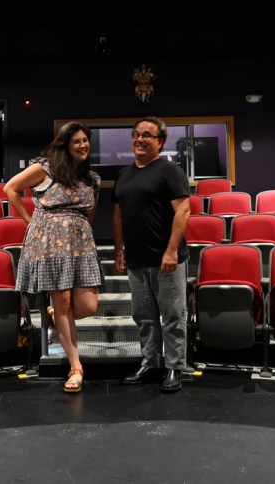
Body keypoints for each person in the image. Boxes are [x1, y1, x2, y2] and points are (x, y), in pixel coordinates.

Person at [4, 122, 104, 393]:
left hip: (80, 245)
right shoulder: (46, 168)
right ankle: (76, 367)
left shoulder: (92, 179)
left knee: (87, 307)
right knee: (64, 302)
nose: (83, 145)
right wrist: (30, 221)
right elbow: (11, 189)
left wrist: (76, 230)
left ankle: (56, 315)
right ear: (65, 145)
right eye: (77, 142)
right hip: (49, 245)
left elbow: (88, 216)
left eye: (86, 141)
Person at [112, 116, 191, 393]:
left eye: (147, 135)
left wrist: (171, 251)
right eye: (136, 134)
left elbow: (183, 211)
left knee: (172, 316)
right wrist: (119, 249)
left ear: (160, 142)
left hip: (166, 260)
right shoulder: (124, 175)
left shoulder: (170, 171)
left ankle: (174, 367)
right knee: (143, 316)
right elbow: (119, 213)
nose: (140, 139)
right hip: (136, 260)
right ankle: (150, 362)